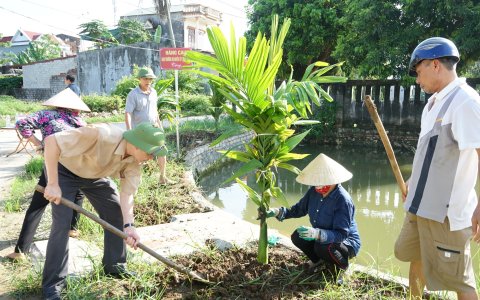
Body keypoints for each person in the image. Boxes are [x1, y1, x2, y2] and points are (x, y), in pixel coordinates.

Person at [394, 37, 480, 300]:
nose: (418, 81)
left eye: (418, 73)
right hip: (421, 207)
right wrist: (412, 180)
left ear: (434, 65)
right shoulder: (432, 105)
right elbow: (428, 154)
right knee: (412, 255)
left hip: (447, 214)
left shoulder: (465, 101)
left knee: (460, 282)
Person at [41, 121, 167, 300]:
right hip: (65, 171)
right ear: (136, 144)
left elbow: (127, 194)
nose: (151, 158)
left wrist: (129, 226)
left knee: (116, 213)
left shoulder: (133, 162)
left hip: (94, 176)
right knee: (62, 223)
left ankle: (114, 265)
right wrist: (52, 183)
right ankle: (53, 285)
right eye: (150, 153)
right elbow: (51, 141)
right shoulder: (101, 134)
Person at [6, 88, 90, 261]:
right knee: (78, 192)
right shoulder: (79, 121)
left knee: (38, 205)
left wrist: (38, 143)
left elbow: (21, 123)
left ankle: (21, 250)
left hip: (54, 164)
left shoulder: (46, 115)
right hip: (76, 165)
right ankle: (72, 229)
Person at [263, 153, 361, 280]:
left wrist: (317, 234)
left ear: (332, 179)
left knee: (321, 246)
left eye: (322, 182)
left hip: (345, 243)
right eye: (316, 182)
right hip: (322, 238)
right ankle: (319, 261)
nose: (318, 186)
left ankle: (343, 266)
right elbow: (298, 209)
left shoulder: (343, 200)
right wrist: (277, 212)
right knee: (298, 235)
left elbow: (341, 234)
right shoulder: (313, 192)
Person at [125, 66, 173, 185]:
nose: (148, 81)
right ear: (139, 79)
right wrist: (130, 132)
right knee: (140, 157)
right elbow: (128, 113)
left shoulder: (154, 92)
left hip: (154, 129)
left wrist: (160, 127)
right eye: (145, 79)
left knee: (162, 151)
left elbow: (155, 111)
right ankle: (137, 182)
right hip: (140, 131)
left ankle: (162, 177)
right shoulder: (133, 94)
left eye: (150, 79)